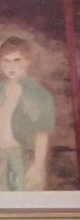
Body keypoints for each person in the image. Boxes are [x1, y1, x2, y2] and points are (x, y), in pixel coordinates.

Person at [0, 37, 54, 194]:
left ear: (27, 61)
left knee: (24, 201)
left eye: (17, 60)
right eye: (6, 60)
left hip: (23, 159)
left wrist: (37, 166)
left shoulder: (38, 94)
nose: (11, 66)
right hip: (1, 158)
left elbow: (42, 133)